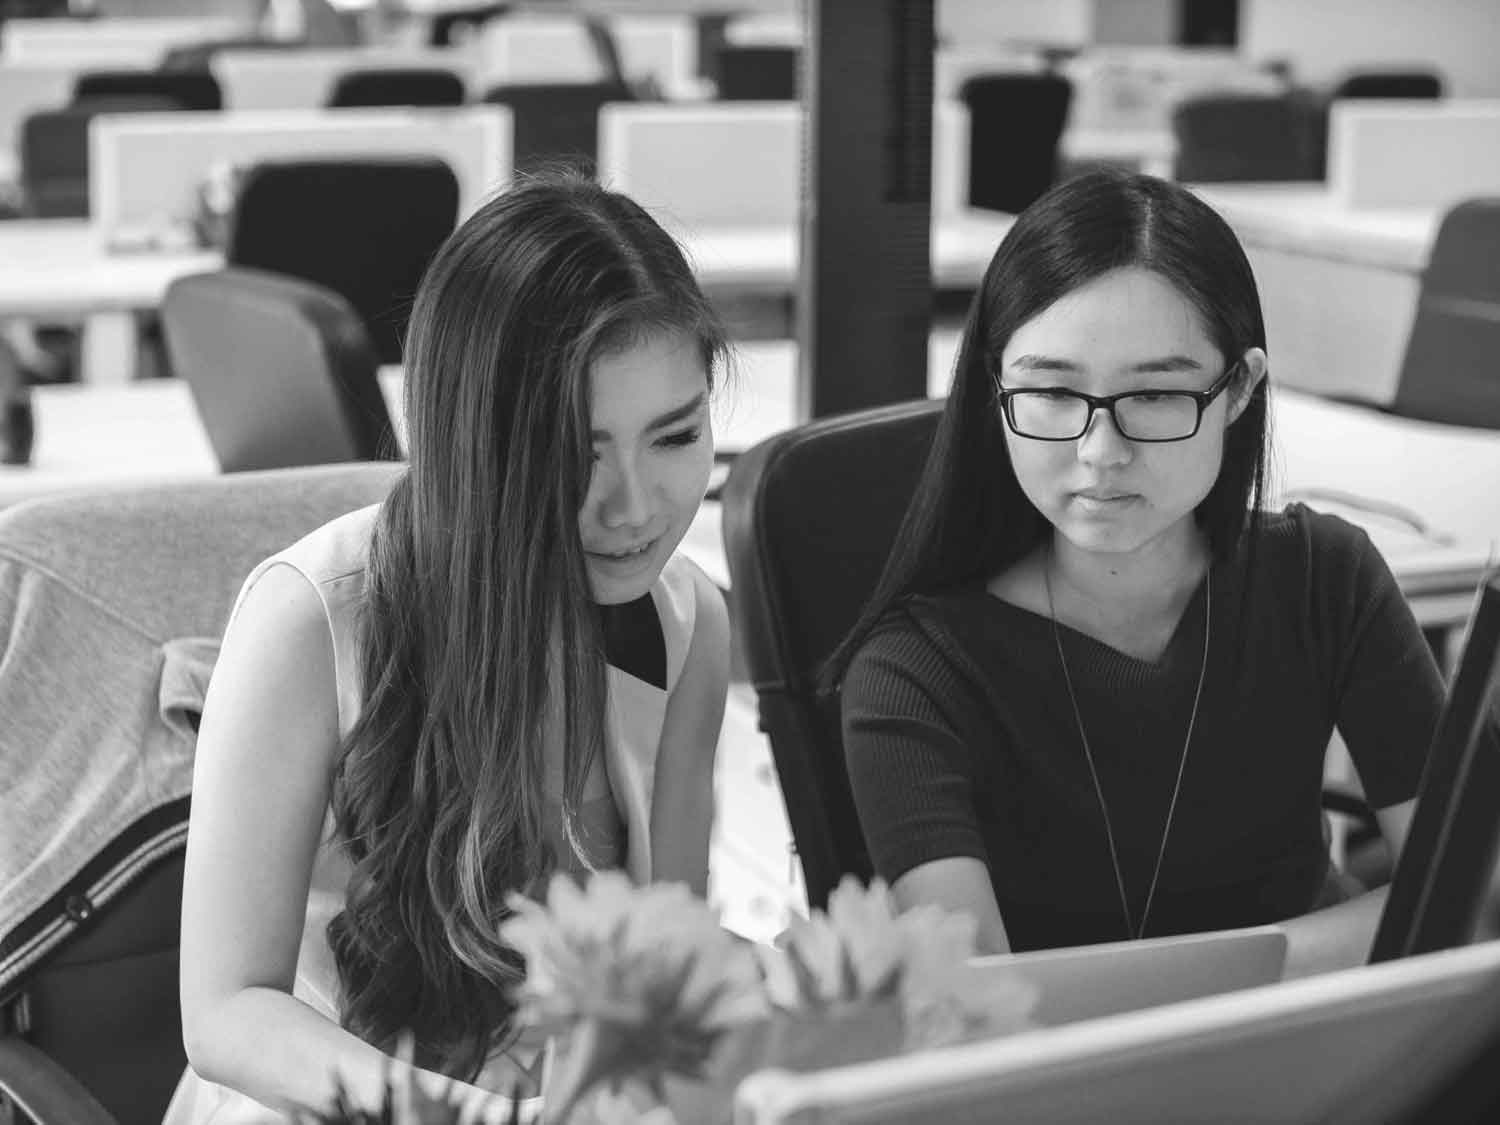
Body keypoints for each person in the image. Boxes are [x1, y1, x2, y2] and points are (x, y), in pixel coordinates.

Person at [166, 173, 732, 1122]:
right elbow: (226, 1013)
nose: (634, 507)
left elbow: (659, 969)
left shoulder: (687, 629)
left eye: (674, 437)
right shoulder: (310, 618)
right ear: (480, 440)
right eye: (575, 450)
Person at [829, 168, 1442, 979]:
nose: (1100, 453)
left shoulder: (1327, 581)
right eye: (1051, 390)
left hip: (1329, 1057)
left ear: (1240, 390)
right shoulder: (915, 672)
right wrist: (1303, 950)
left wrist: (1211, 979)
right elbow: (979, 1011)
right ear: (994, 387)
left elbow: (1467, 891)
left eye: (1154, 394)